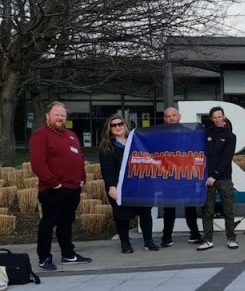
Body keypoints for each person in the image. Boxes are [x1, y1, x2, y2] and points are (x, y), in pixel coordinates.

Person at [31, 101, 92, 270]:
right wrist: (54, 183)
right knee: (48, 223)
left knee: (66, 222)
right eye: (56, 114)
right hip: (53, 189)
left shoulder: (71, 135)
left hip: (73, 188)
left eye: (63, 115)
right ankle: (44, 257)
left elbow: (79, 157)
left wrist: (82, 178)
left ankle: (68, 254)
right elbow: (38, 163)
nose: (60, 118)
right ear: (47, 116)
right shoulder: (40, 135)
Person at [99, 115, 159, 253]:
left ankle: (148, 241)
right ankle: (125, 243)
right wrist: (112, 186)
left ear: (125, 125)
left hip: (141, 185)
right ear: (109, 129)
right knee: (122, 216)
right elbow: (107, 169)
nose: (117, 127)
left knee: (145, 213)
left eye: (120, 124)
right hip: (120, 187)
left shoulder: (136, 142)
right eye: (113, 125)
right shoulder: (107, 147)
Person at [159, 106, 202, 247]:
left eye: (173, 115)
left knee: (190, 206)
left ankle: (195, 234)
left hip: (186, 175)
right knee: (169, 208)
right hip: (168, 176)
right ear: (164, 119)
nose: (171, 118)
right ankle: (166, 237)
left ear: (179, 116)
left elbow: (196, 153)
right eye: (167, 116)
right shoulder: (158, 135)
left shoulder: (189, 133)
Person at [198, 106, 238, 251]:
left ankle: (231, 239)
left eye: (219, 117)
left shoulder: (230, 136)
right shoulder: (206, 133)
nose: (217, 120)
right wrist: (208, 176)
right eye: (214, 117)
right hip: (207, 179)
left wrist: (214, 175)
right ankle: (208, 240)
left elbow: (226, 158)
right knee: (208, 211)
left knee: (228, 210)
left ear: (224, 117)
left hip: (224, 178)